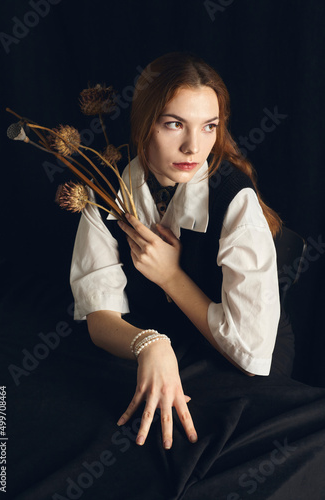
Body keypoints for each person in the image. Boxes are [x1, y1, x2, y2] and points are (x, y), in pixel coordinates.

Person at [70, 51, 282, 454]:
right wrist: (150, 344)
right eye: (174, 124)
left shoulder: (234, 201)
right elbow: (100, 319)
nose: (193, 146)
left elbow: (250, 353)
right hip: (149, 345)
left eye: (209, 127)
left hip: (230, 361)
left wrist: (170, 276)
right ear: (144, 123)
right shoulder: (104, 192)